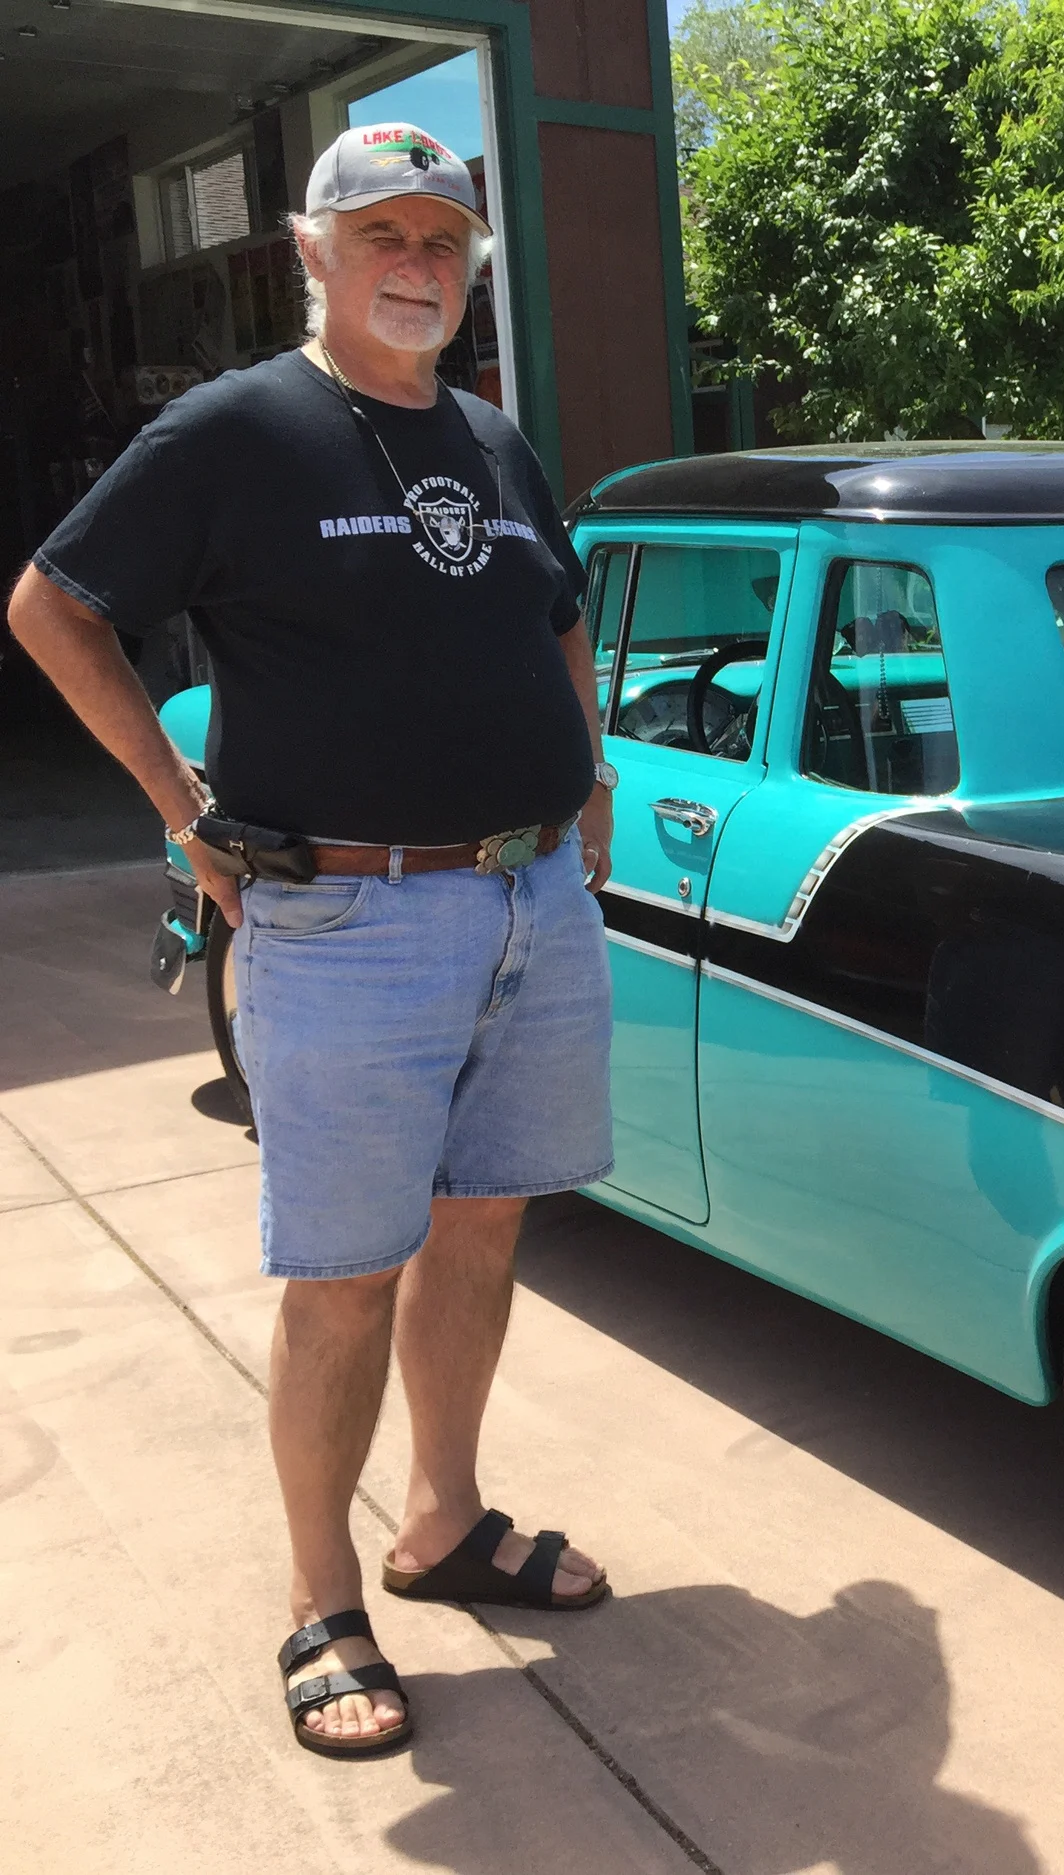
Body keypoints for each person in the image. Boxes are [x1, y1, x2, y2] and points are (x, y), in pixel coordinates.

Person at [6, 122, 622, 1759]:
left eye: (444, 240)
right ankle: (319, 1597)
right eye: (385, 237)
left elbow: (556, 613)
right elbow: (52, 604)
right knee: (344, 1279)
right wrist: (174, 798)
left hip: (526, 899)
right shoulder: (239, 430)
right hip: (346, 918)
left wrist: (592, 776)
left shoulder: (493, 438)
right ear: (314, 253)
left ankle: (446, 1523)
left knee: (483, 1228)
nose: (418, 264)